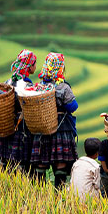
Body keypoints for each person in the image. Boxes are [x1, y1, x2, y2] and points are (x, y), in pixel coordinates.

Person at [29, 52, 79, 188]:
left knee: (40, 163)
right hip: (60, 129)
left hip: (42, 129)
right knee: (60, 163)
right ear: (59, 68)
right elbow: (73, 107)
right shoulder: (63, 87)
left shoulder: (39, 86)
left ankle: (37, 195)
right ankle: (59, 195)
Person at [0, 49, 37, 174]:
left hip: (7, 125)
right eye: (34, 63)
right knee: (21, 163)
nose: (35, 66)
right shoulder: (27, 84)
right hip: (21, 127)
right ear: (29, 66)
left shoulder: (8, 81)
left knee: (6, 162)